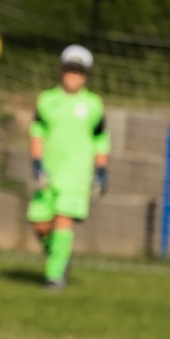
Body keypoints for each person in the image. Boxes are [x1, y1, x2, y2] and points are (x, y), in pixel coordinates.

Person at [29, 44, 110, 290]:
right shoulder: (46, 100)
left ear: (87, 75)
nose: (74, 76)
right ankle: (60, 257)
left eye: (79, 71)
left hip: (76, 175)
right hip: (50, 172)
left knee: (63, 220)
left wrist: (101, 173)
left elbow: (101, 140)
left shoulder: (94, 104)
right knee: (41, 225)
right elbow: (37, 132)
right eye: (70, 70)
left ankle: (54, 277)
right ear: (61, 71)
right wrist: (37, 165)